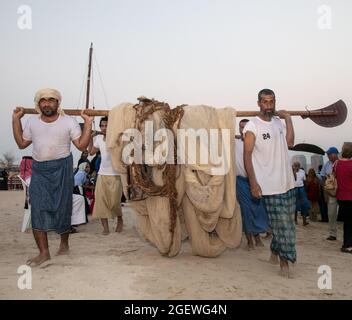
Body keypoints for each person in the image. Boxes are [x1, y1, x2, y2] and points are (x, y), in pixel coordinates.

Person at [12, 88, 93, 266]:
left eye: (51, 100)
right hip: (39, 168)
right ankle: (44, 252)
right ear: (38, 104)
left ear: (58, 103)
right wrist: (16, 120)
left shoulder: (68, 121)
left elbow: (81, 146)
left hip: (62, 167)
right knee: (38, 208)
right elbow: (21, 143)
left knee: (63, 207)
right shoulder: (32, 122)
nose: (47, 103)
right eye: (43, 100)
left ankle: (64, 244)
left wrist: (87, 123)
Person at [243, 88, 296, 278]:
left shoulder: (278, 122)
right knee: (282, 226)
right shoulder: (252, 126)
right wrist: (253, 183)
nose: (268, 105)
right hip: (269, 184)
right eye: (264, 102)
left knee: (287, 222)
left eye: (271, 101)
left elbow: (289, 143)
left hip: (287, 182)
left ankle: (274, 252)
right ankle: (285, 263)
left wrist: (288, 119)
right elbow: (247, 155)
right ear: (258, 103)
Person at [235, 119, 270, 250]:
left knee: (258, 209)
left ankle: (257, 237)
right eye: (240, 127)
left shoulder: (257, 142)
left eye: (245, 127)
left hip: (255, 181)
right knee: (245, 210)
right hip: (241, 181)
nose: (242, 129)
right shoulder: (234, 142)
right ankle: (250, 241)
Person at [88, 116, 123, 235]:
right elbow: (91, 152)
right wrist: (90, 138)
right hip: (102, 174)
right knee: (101, 202)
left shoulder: (117, 139)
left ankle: (120, 219)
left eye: (106, 125)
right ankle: (105, 228)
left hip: (115, 174)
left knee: (114, 202)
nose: (104, 128)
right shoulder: (98, 139)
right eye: (102, 126)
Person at [334, 142, 352, 253]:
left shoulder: (336, 164)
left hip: (341, 196)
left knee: (347, 222)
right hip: (350, 196)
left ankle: (346, 244)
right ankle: (347, 245)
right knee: (350, 222)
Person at [321, 147, 339, 240]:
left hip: (342, 191)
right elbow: (323, 177)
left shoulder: (341, 163)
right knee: (331, 213)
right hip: (331, 192)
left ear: (335, 154)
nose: (328, 156)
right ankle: (332, 233)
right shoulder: (327, 164)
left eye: (329, 154)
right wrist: (325, 192)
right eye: (327, 154)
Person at [292, 162, 310, 226]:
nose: (297, 167)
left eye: (298, 166)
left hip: (301, 188)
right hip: (294, 188)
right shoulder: (291, 172)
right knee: (295, 205)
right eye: (295, 165)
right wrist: (293, 171)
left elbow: (304, 181)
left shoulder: (302, 171)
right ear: (293, 166)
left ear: (299, 166)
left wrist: (306, 190)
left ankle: (304, 221)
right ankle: (295, 220)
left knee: (304, 204)